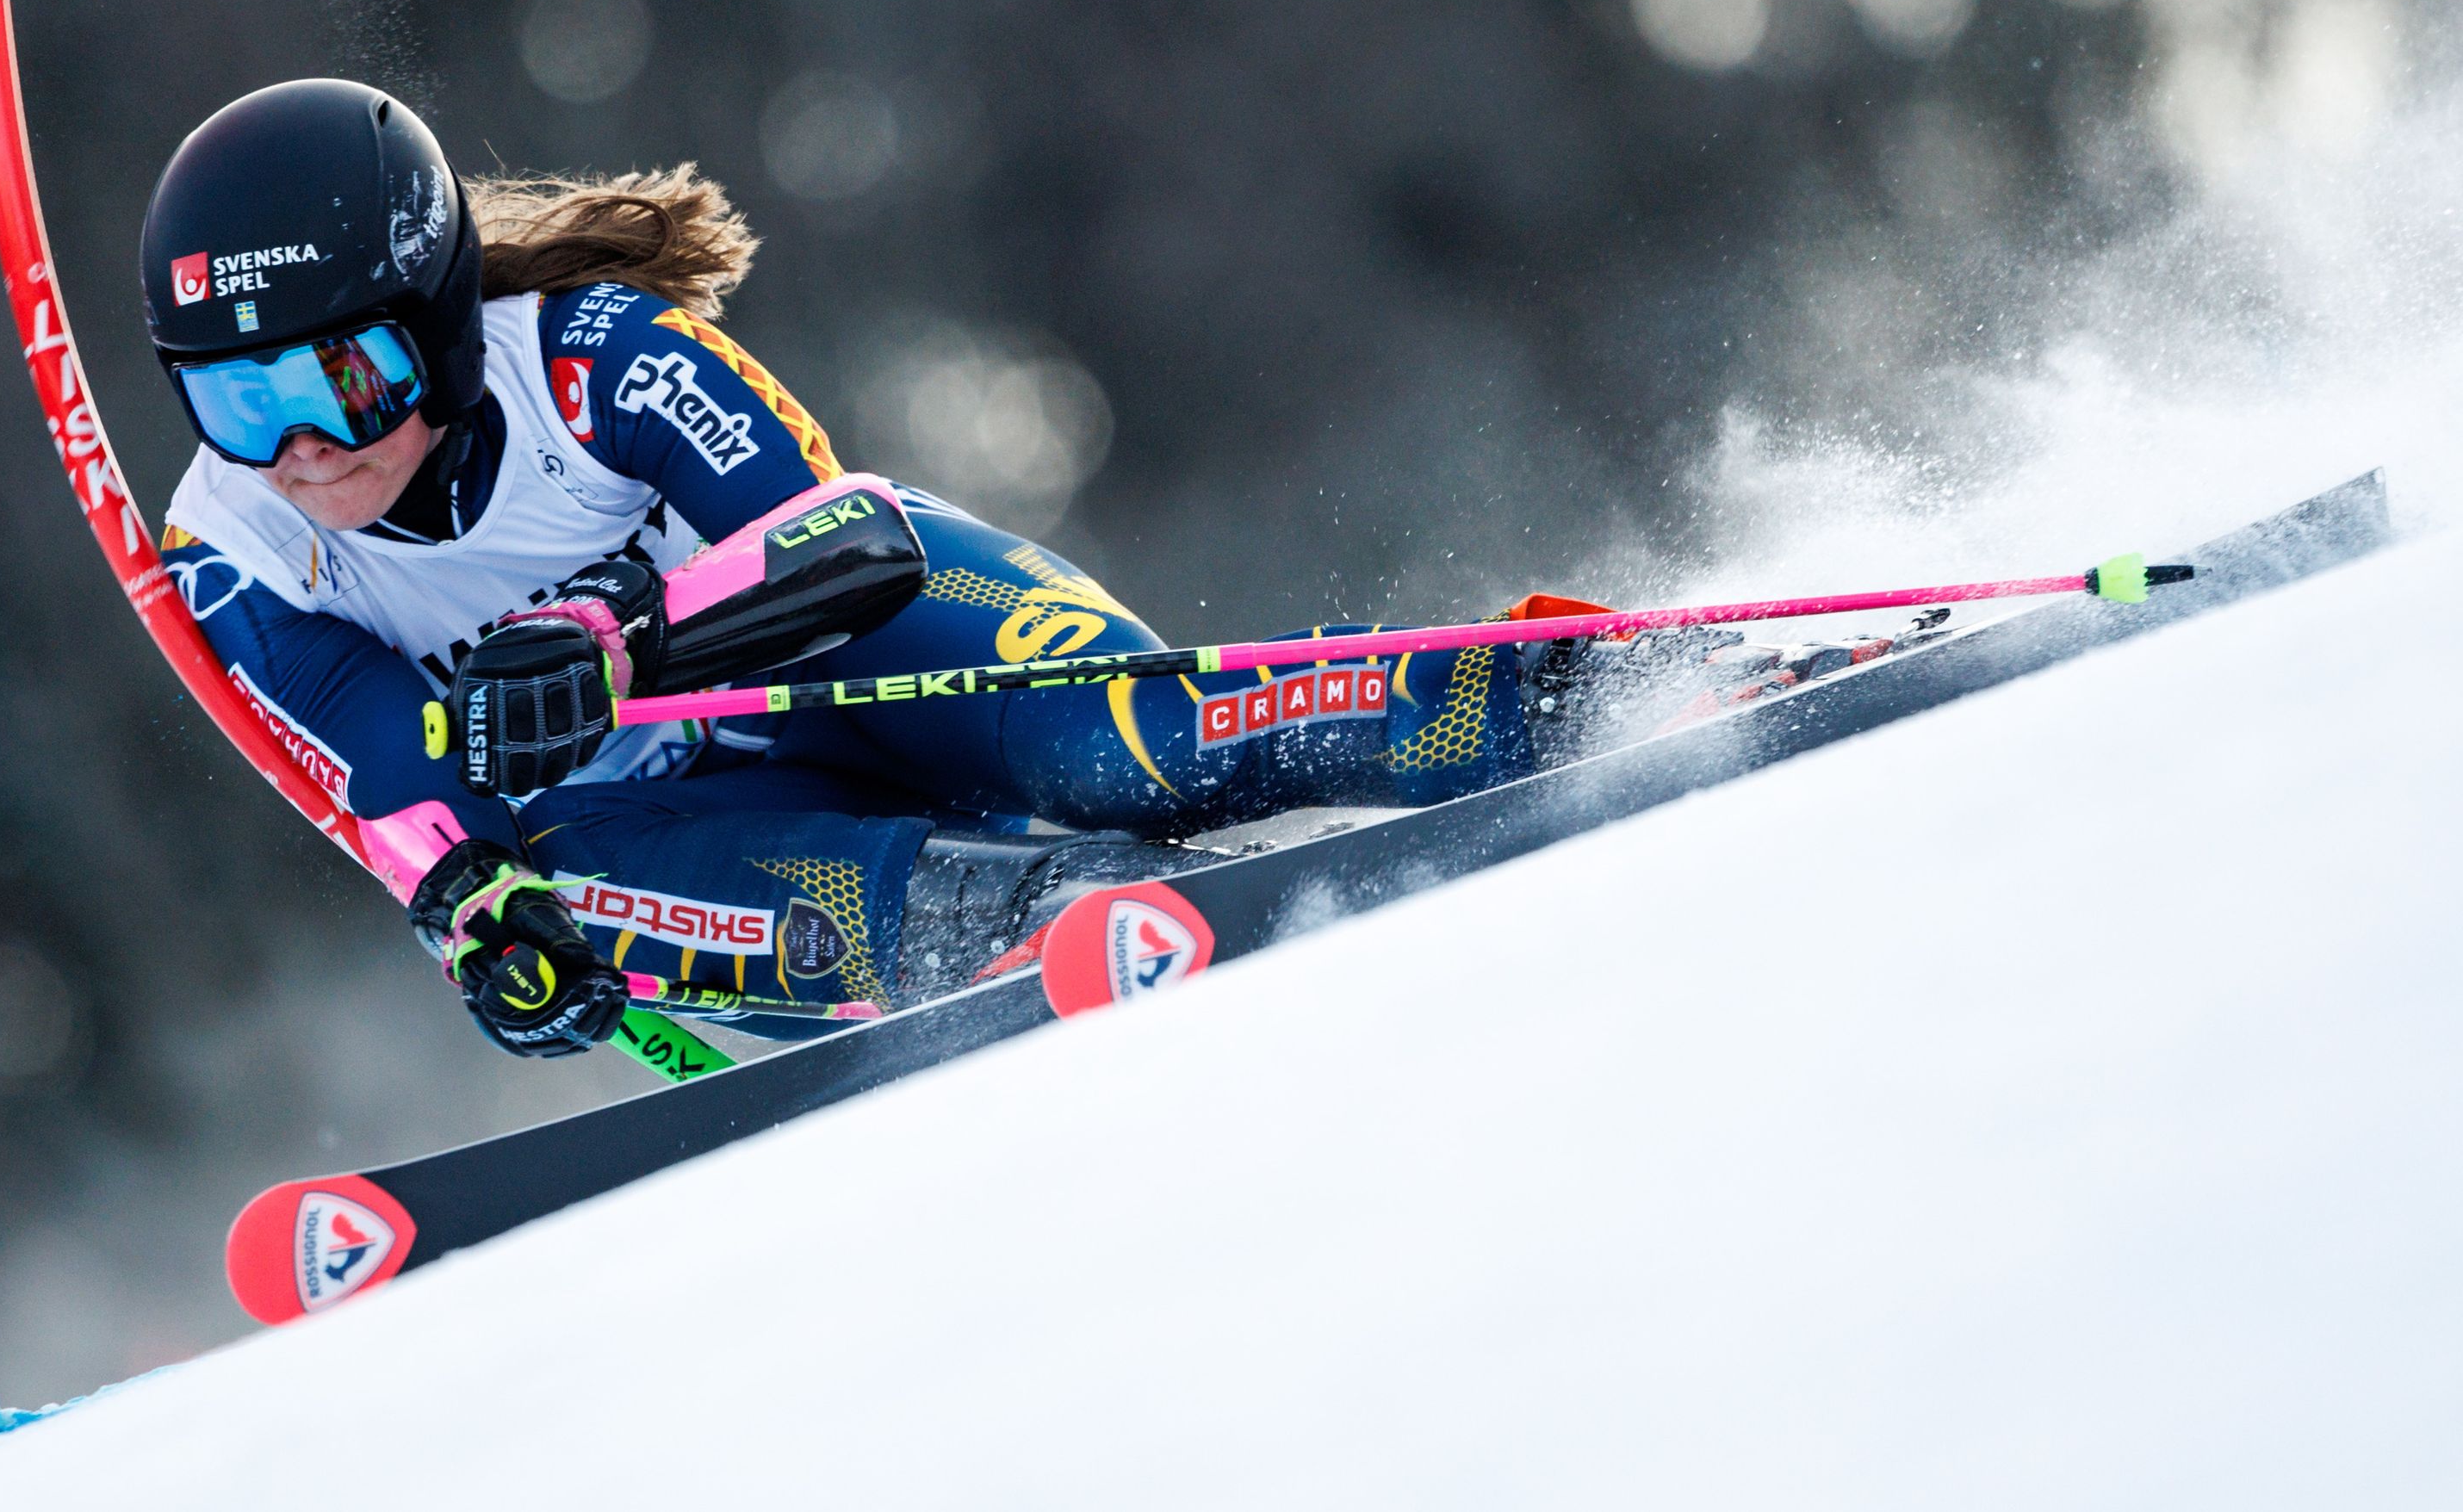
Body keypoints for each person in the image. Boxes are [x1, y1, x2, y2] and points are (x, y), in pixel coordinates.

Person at [144, 81, 1537, 1059]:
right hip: (705, 824)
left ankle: (1525, 700)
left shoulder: (586, 357)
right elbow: (396, 774)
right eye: (239, 402)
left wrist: (619, 635)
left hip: (873, 668)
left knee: (1132, 747)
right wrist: (478, 918)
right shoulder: (236, 548)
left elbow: (844, 542)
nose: (303, 445)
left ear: (440, 325)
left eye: (346, 379)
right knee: (560, 876)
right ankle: (1039, 917)